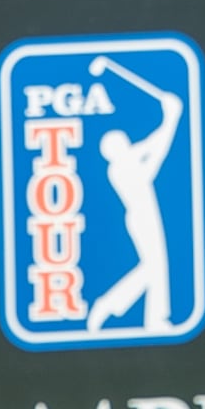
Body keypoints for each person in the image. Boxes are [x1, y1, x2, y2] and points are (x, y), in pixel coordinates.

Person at [79, 60, 185, 335]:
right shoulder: (121, 168)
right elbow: (156, 153)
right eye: (122, 142)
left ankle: (154, 320)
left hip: (146, 214)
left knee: (155, 267)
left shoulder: (127, 160)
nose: (127, 143)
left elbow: (152, 146)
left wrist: (170, 119)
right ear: (115, 150)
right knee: (153, 268)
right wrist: (171, 118)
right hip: (141, 217)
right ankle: (109, 304)